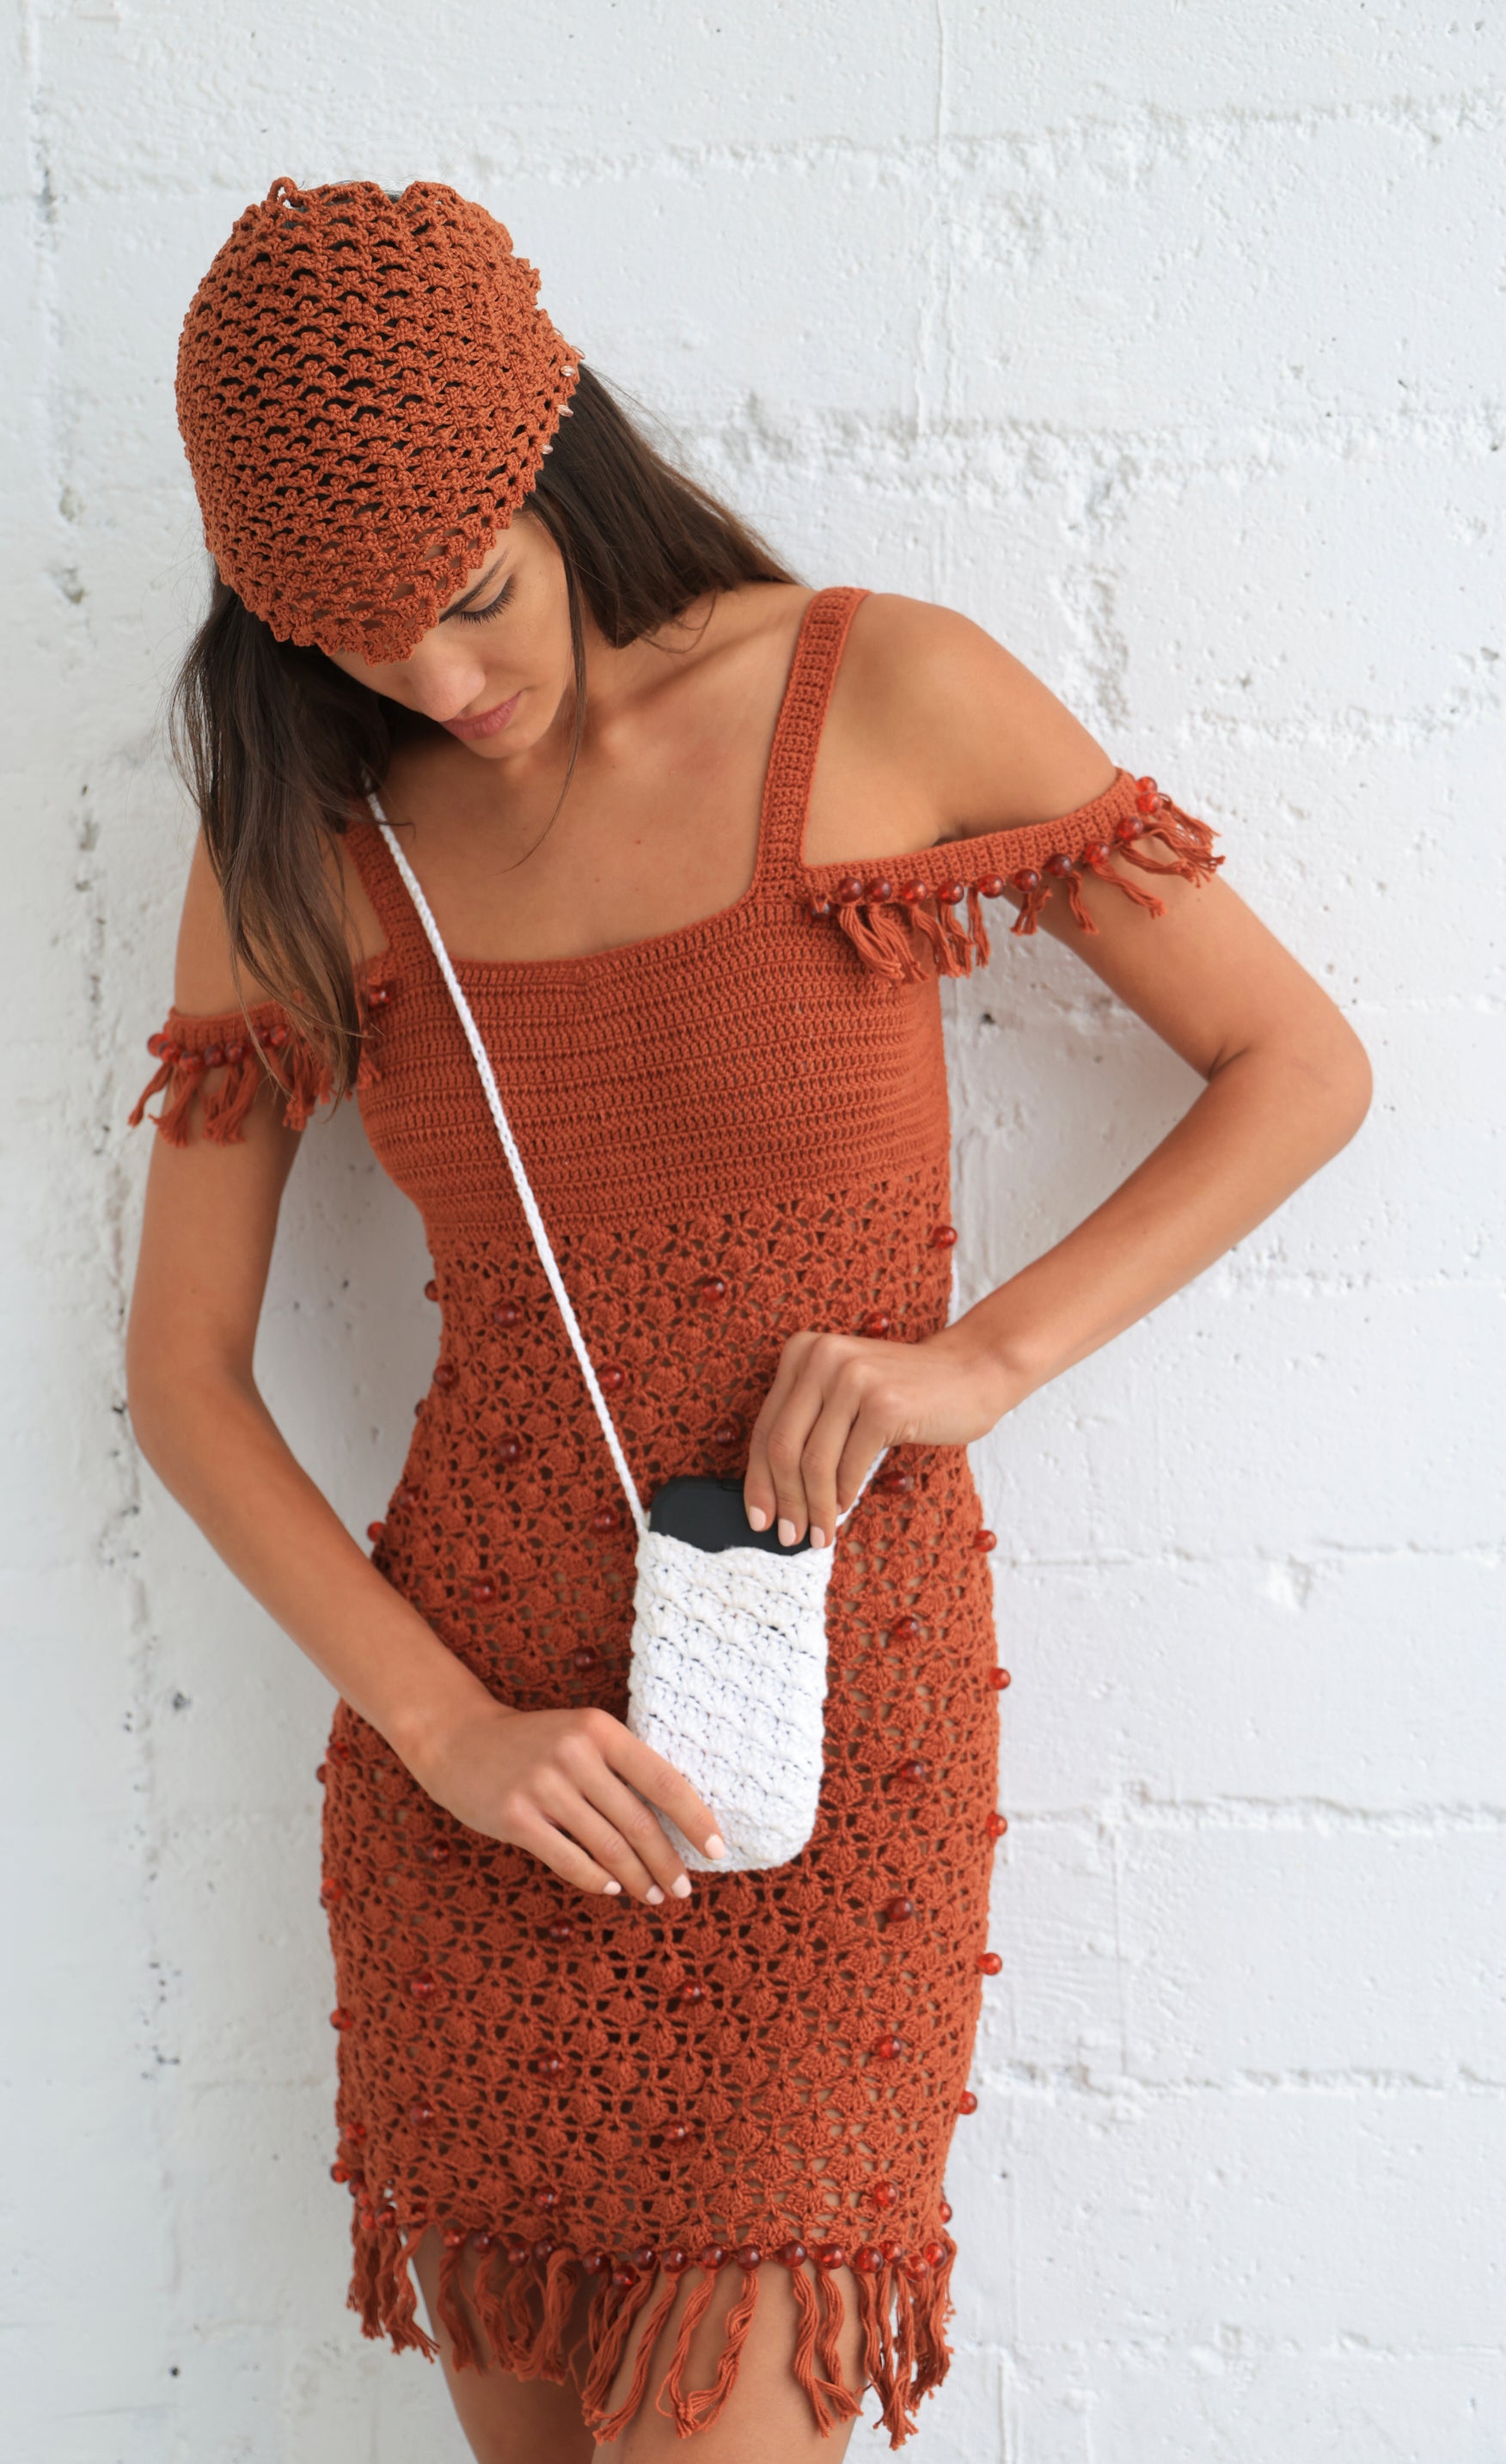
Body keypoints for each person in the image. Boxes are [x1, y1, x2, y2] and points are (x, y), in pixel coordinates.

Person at [125, 178, 1371, 2464]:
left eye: (472, 600)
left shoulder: (878, 691)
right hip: (485, 1761)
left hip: (827, 1721)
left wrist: (980, 1360)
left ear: (556, 453)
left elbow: (1296, 1063)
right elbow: (183, 1374)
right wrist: (446, 1730)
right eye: (358, 646)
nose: (441, 686)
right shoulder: (304, 839)